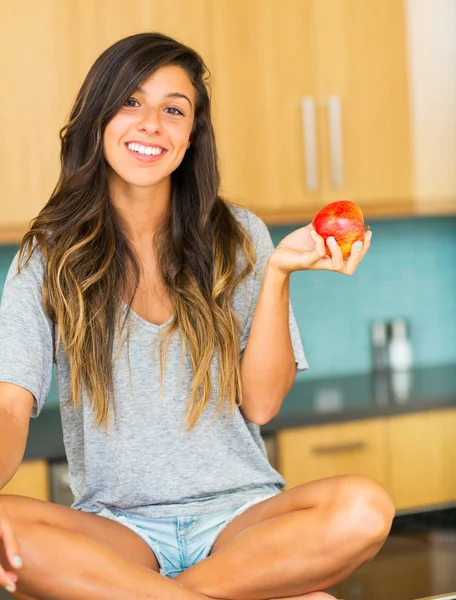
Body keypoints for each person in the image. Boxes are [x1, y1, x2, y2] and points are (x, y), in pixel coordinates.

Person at [0, 32, 393, 600]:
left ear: (190, 136)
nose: (151, 124)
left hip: (241, 523)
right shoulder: (47, 258)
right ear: (98, 119)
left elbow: (259, 403)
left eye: (173, 110)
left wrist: (279, 272)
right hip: (117, 530)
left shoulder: (240, 238)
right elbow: (10, 409)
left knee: (365, 507)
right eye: (130, 102)